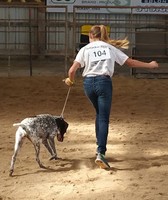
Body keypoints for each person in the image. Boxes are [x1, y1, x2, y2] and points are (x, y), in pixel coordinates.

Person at [64, 25, 159, 169]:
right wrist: (150, 65)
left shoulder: (84, 49)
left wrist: (70, 80)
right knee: (103, 117)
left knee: (99, 114)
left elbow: (72, 70)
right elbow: (129, 62)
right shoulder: (109, 48)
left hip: (88, 84)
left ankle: (98, 146)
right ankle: (100, 153)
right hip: (104, 83)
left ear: (90, 35)